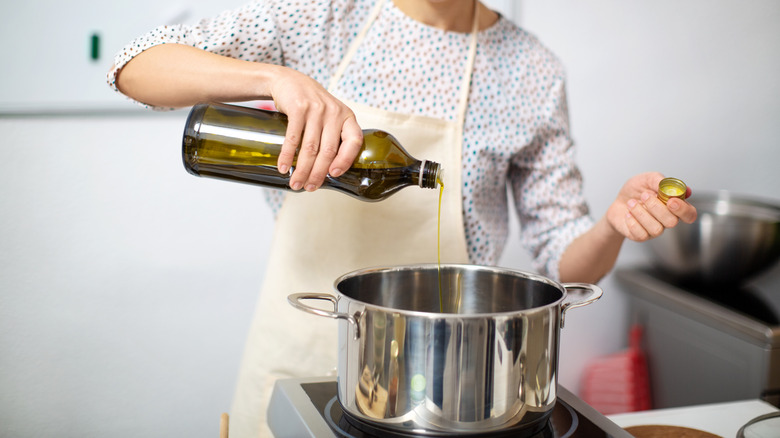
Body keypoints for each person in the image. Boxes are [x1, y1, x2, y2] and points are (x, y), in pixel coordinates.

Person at [108, 0, 697, 436]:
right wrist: (274, 78)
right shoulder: (321, 17)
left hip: (450, 395)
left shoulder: (533, 73)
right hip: (297, 364)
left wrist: (613, 226)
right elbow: (135, 66)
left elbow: (562, 255)